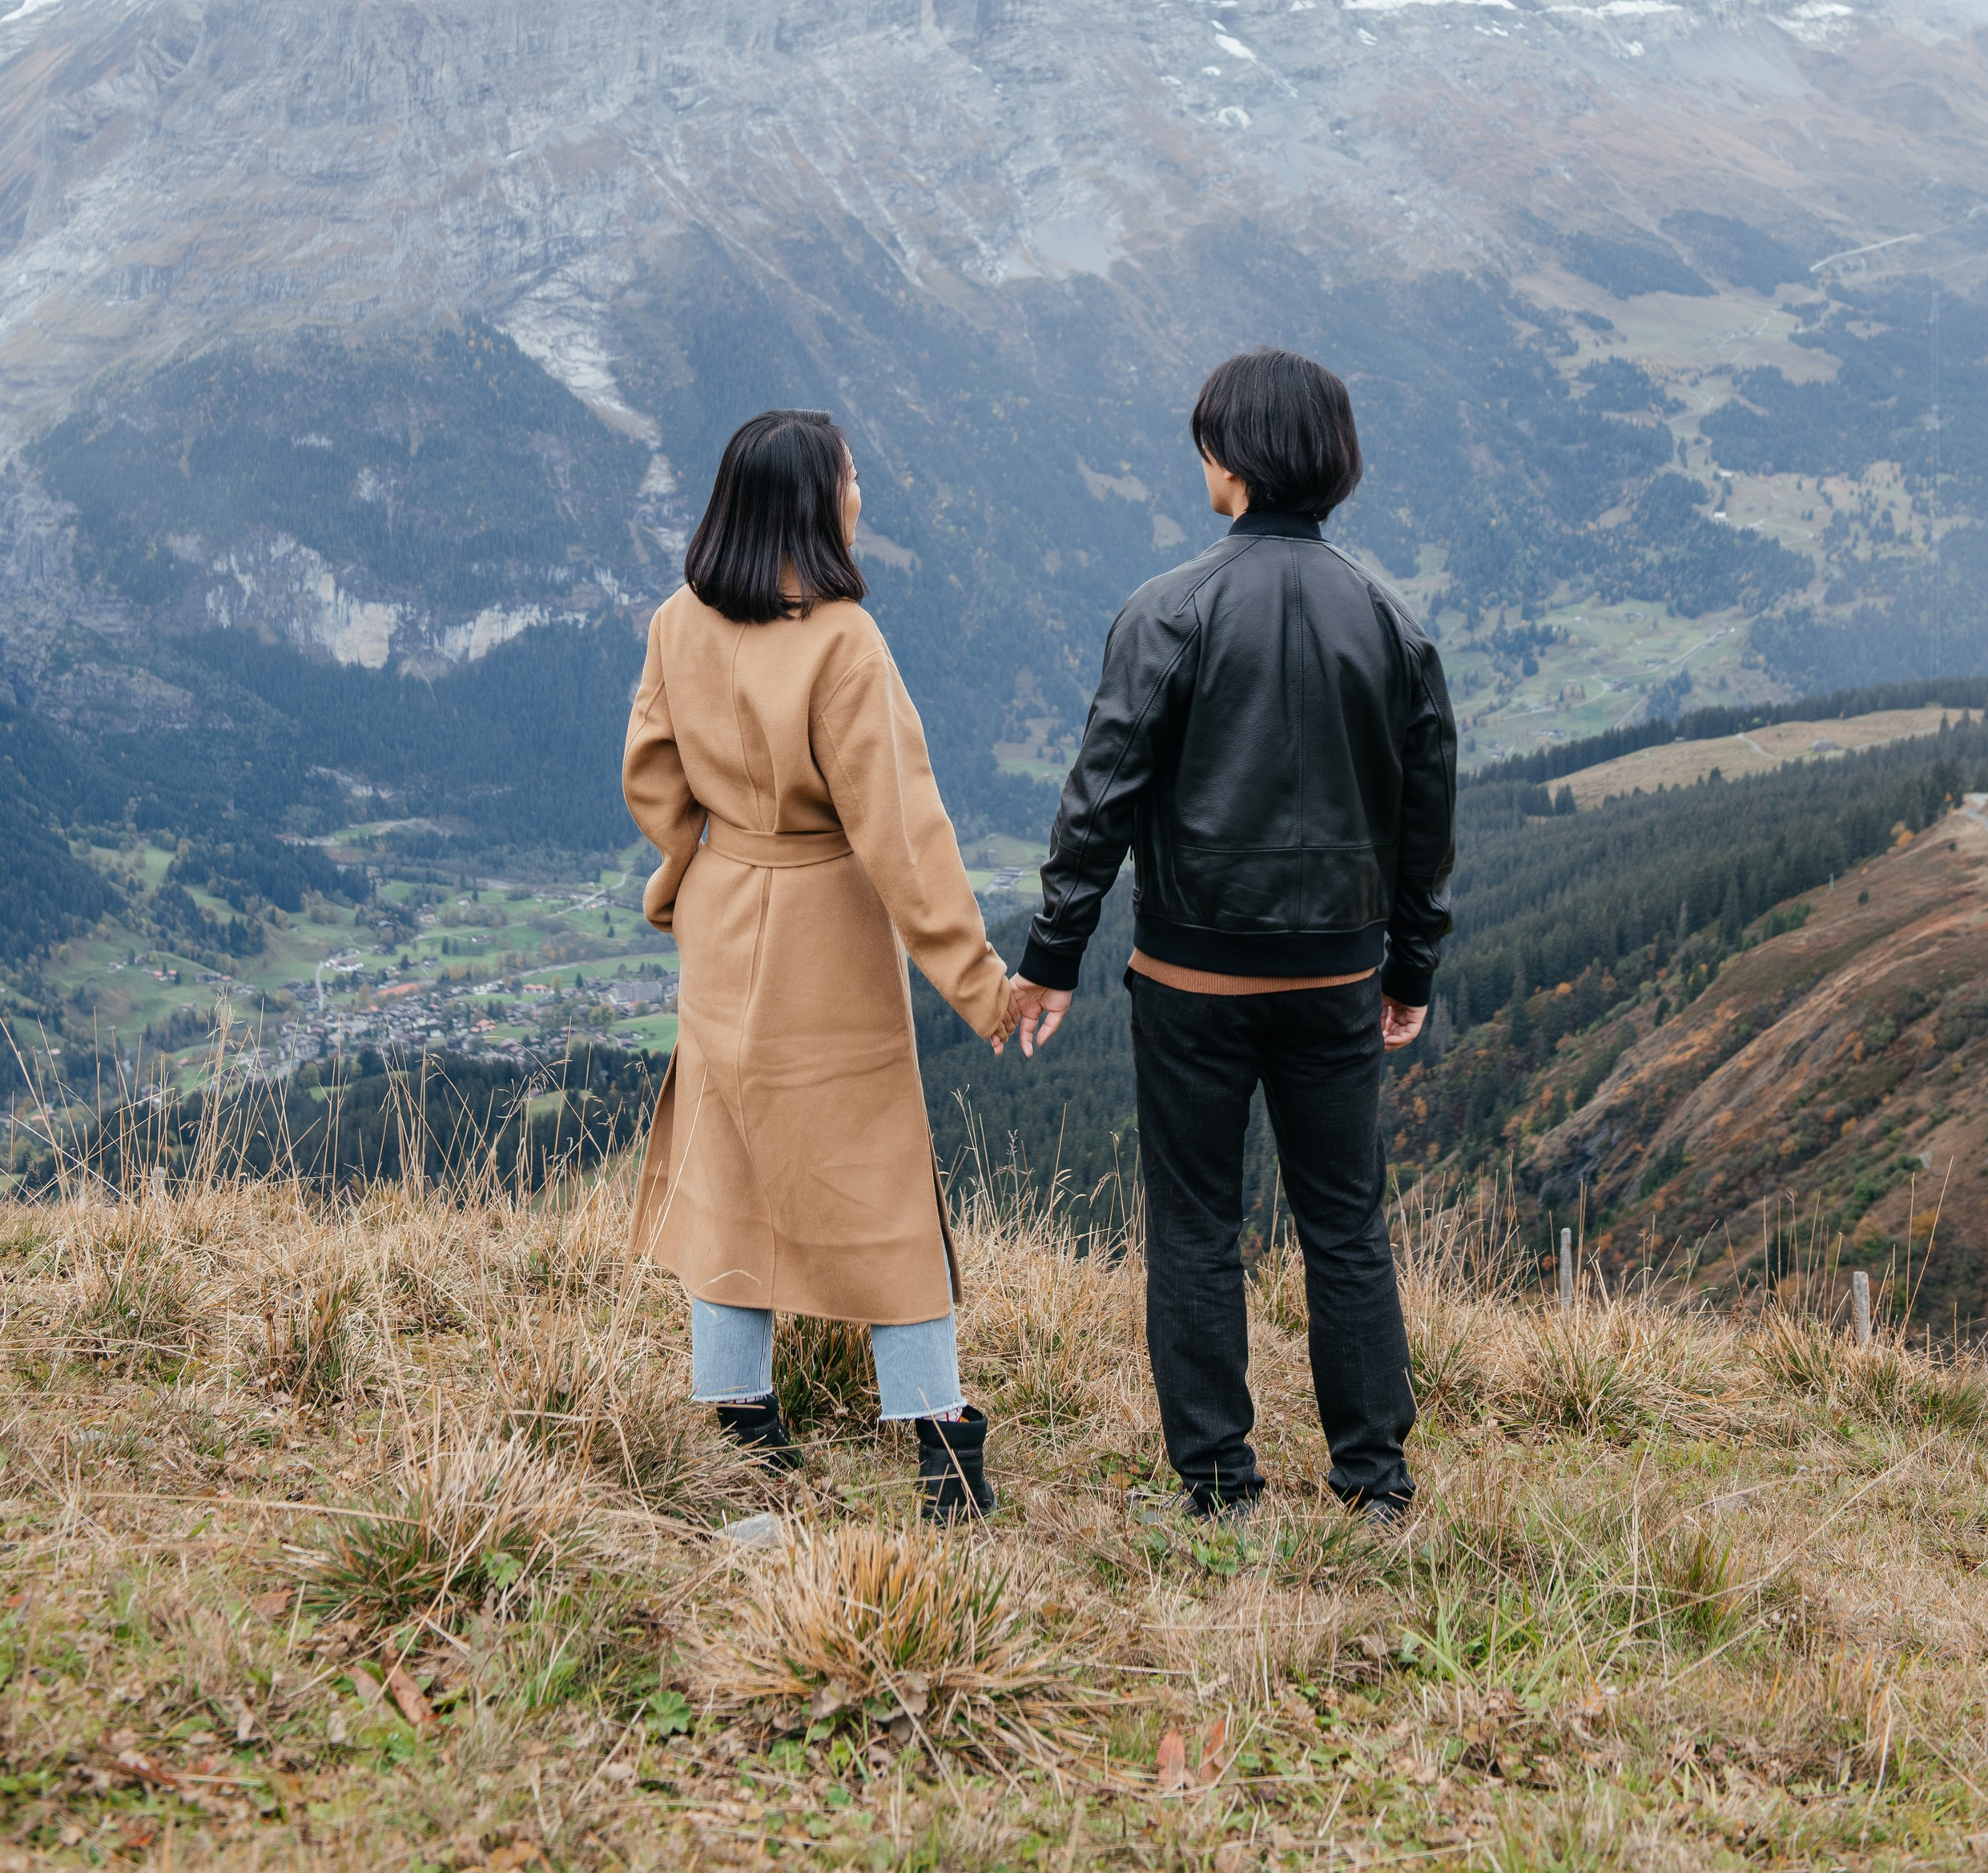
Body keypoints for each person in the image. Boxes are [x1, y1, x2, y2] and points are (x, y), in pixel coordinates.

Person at [1006, 347, 1454, 1523]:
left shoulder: (1167, 613)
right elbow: (1425, 827)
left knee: (1197, 1226)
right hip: (1340, 976)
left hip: (1192, 977)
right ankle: (1376, 1485)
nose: (1201, 458)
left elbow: (1098, 802)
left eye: (1208, 439)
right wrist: (1410, 968)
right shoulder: (1394, 626)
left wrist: (1053, 956)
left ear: (1237, 458)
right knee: (1345, 1225)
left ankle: (1219, 1488)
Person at [621, 408, 1020, 1521]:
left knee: (730, 1165)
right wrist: (980, 984)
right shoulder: (844, 641)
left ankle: (744, 1428)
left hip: (724, 915)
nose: (862, 495)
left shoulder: (675, 624)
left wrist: (684, 880)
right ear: (814, 500)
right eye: (852, 477)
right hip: (826, 930)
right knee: (879, 1171)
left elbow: (653, 779)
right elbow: (904, 833)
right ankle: (941, 1444)